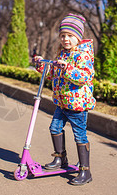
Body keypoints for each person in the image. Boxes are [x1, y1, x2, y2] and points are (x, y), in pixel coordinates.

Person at [34, 13, 96, 186]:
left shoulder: (83, 55)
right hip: (62, 103)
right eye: (62, 35)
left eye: (69, 36)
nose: (65, 39)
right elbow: (53, 73)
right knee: (54, 128)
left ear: (78, 37)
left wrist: (68, 68)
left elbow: (84, 77)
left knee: (79, 136)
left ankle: (85, 170)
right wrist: (42, 64)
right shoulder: (62, 54)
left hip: (77, 105)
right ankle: (60, 159)